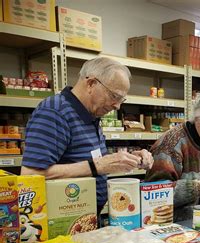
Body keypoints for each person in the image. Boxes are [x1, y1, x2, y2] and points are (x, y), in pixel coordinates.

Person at [21, 57, 153, 214]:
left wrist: (129, 159)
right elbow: (30, 175)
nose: (117, 106)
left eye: (121, 100)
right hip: (61, 222)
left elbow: (88, 159)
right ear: (91, 84)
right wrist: (97, 166)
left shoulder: (91, 115)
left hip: (84, 216)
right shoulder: (55, 112)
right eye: (114, 96)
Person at [145, 89, 200, 221]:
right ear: (198, 120)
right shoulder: (170, 145)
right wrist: (198, 188)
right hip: (174, 227)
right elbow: (154, 195)